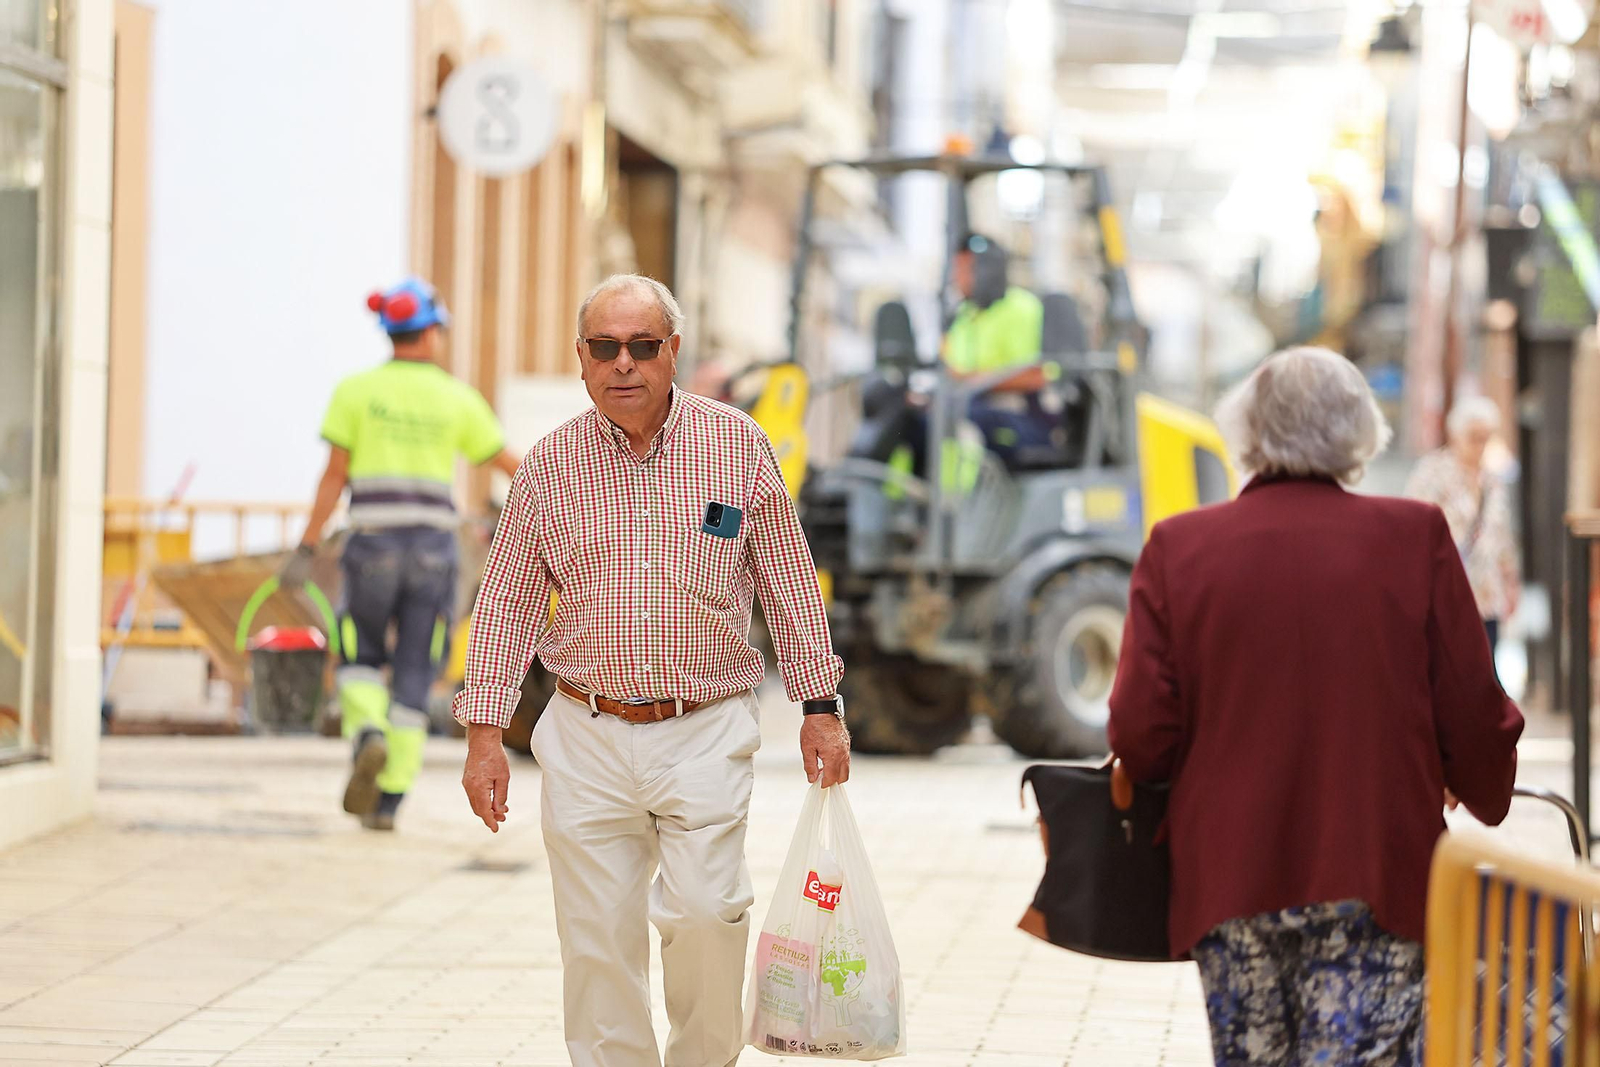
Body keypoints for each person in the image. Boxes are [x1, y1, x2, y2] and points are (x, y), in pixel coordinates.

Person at [453, 274, 851, 1067]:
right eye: (606, 347)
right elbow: (505, 603)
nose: (624, 363)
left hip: (702, 726)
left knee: (708, 914)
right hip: (585, 731)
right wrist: (483, 733)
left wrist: (820, 704)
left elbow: (787, 578)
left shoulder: (735, 446)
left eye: (642, 346)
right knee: (597, 943)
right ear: (582, 359)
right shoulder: (548, 467)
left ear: (673, 351)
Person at [1108, 347, 1524, 1067]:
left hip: (1229, 875)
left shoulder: (1180, 546)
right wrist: (1480, 786)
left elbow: (1141, 733)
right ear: (1359, 433)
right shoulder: (1414, 535)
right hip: (1378, 865)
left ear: (1248, 434)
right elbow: (1473, 706)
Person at [280, 277, 521, 831]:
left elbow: (334, 477)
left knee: (360, 654)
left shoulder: (355, 392)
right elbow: (512, 465)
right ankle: (388, 801)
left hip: (371, 547)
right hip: (435, 552)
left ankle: (366, 732)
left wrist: (306, 544)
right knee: (417, 667)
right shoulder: (456, 397)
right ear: (431, 332)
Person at [1405, 395, 1521, 661]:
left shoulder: (1492, 480)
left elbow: (1502, 536)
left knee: (1485, 669)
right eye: (1474, 437)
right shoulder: (1432, 472)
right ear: (1455, 435)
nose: (1480, 446)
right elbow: (1413, 527)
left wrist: (1511, 581)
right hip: (1445, 591)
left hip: (1486, 593)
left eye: (1485, 437)